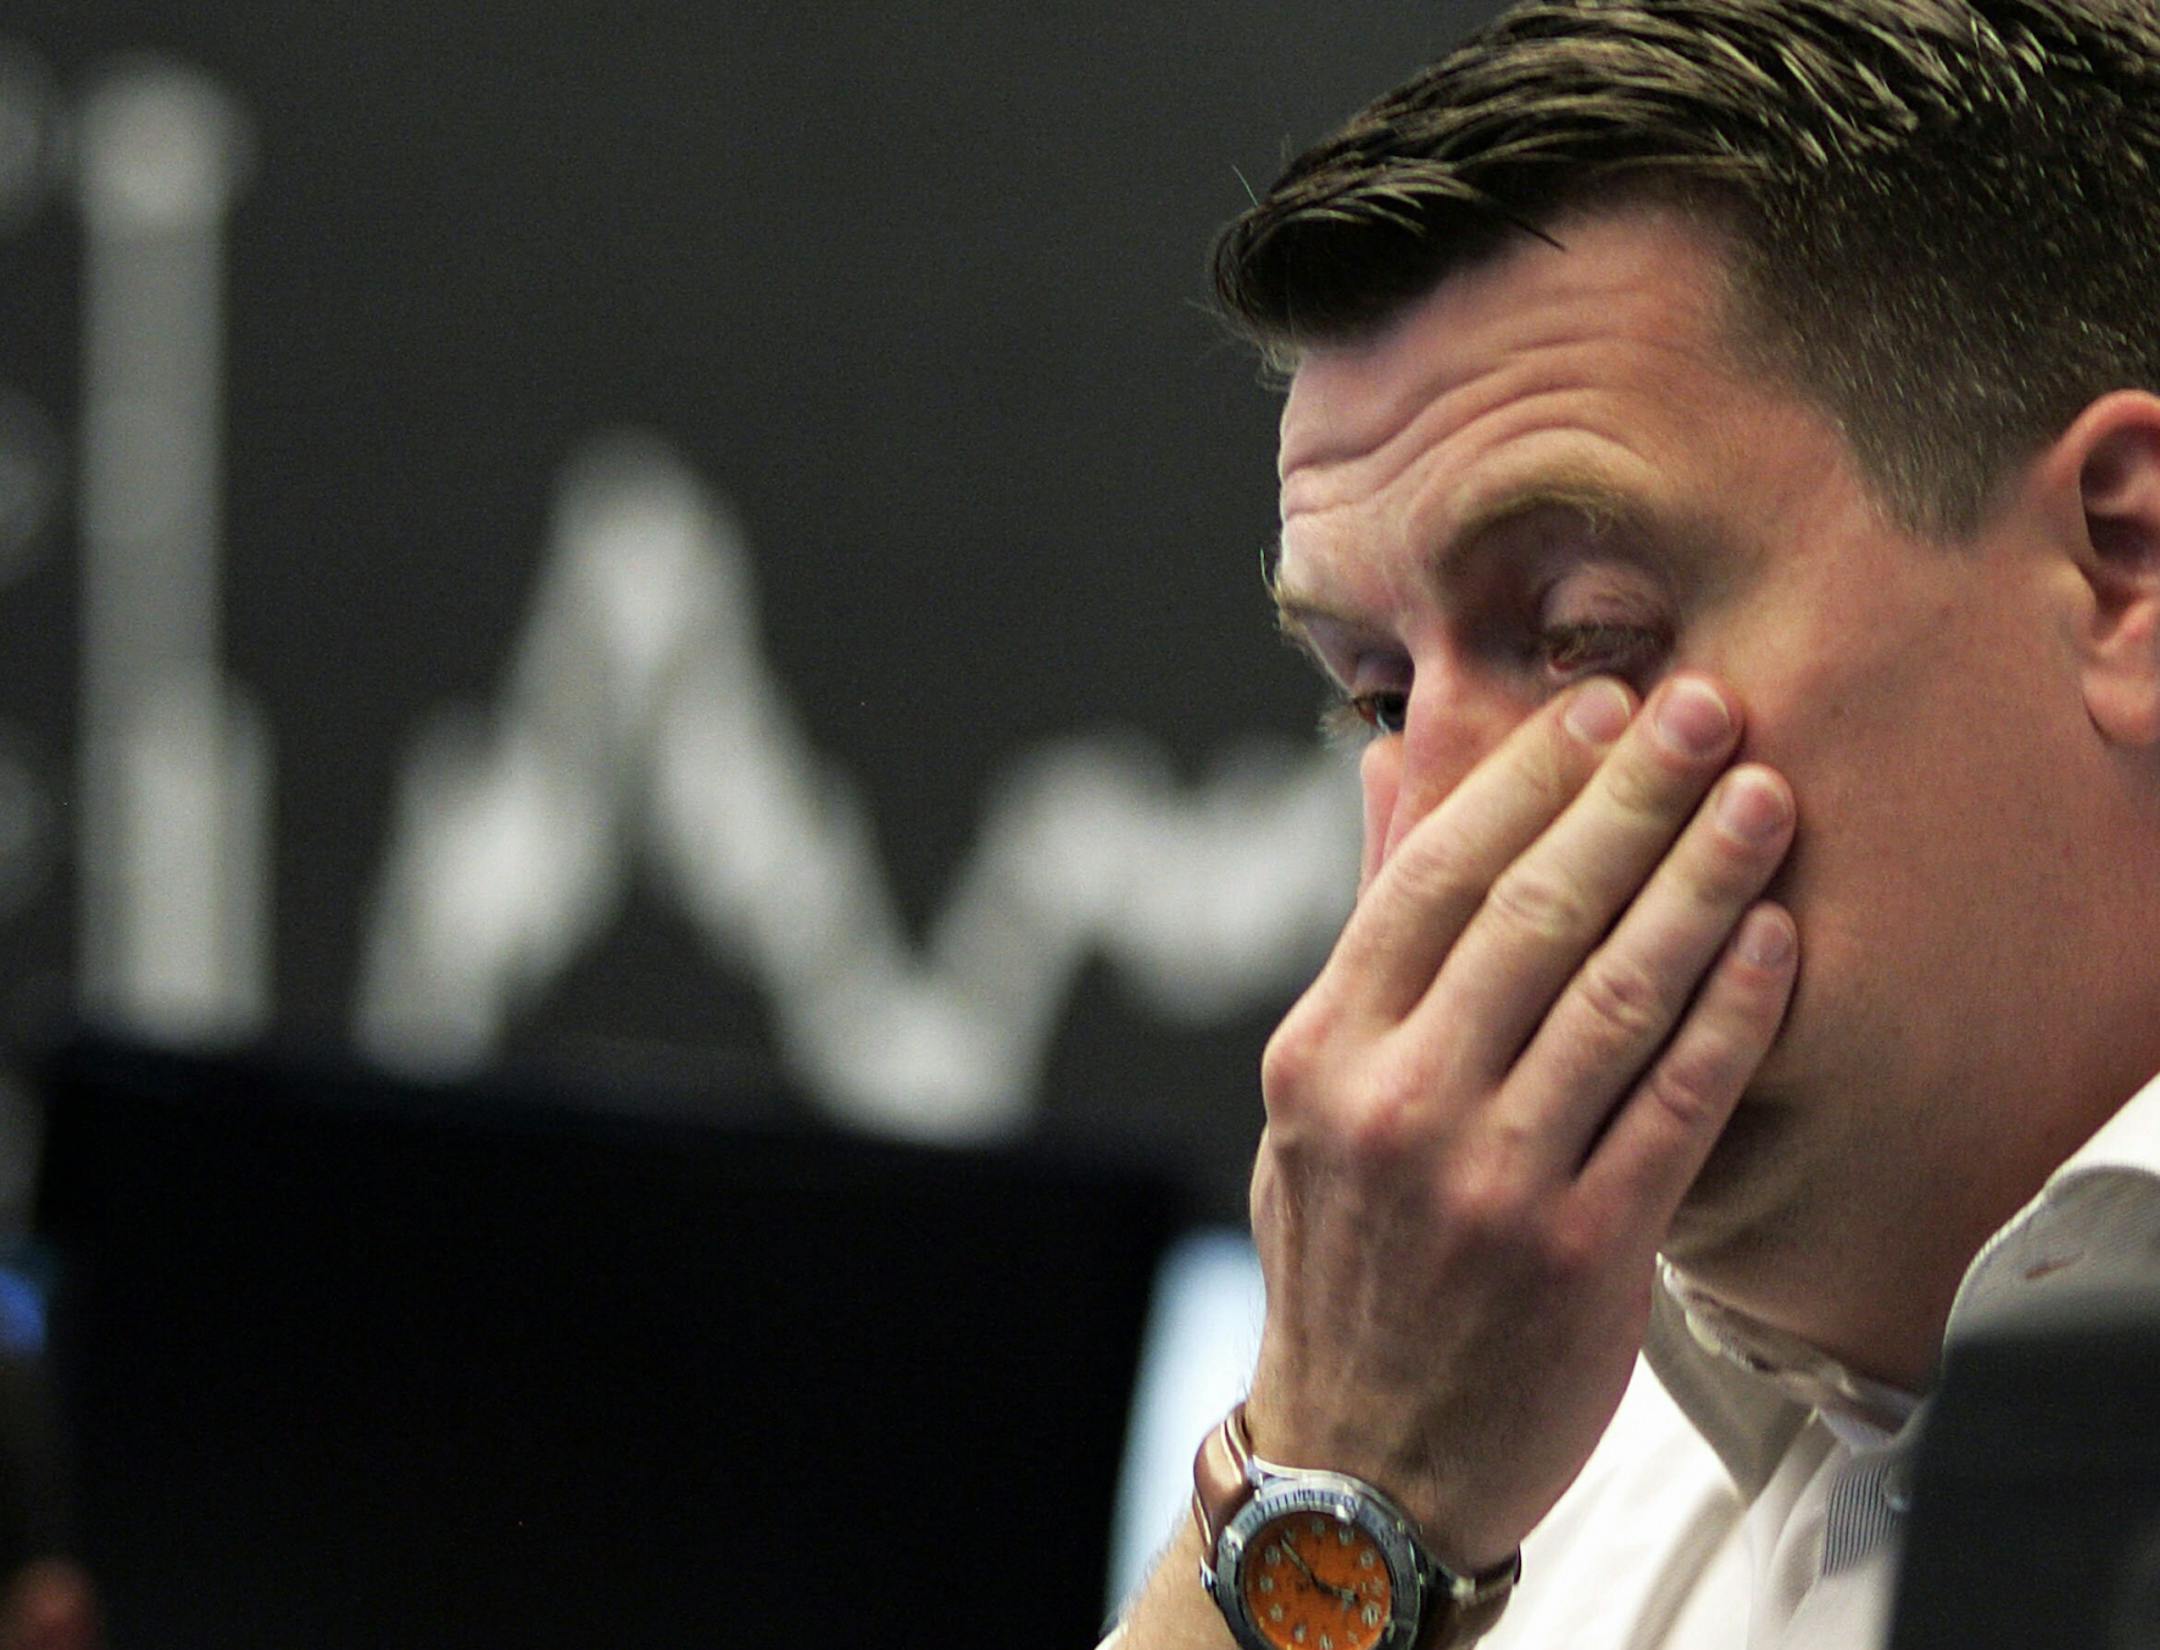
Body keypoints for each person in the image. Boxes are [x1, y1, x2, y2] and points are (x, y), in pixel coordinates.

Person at [1105, 2, 2160, 1646]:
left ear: (2125, 565)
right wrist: (1343, 1494)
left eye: (1590, 632)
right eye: (1380, 701)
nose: (1433, 836)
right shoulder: (1479, 1439)